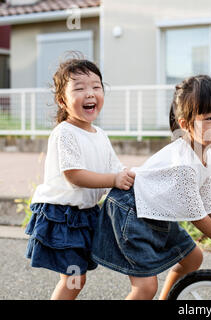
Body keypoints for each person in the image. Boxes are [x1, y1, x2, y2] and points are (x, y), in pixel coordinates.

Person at [91, 75, 211, 300]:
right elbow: (196, 215)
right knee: (145, 286)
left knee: (192, 258)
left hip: (154, 213)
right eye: (209, 118)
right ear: (185, 124)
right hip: (130, 210)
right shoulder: (184, 164)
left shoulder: (205, 154)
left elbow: (210, 203)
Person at [25, 58, 136, 300]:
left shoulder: (100, 135)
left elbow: (115, 167)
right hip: (62, 215)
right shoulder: (64, 132)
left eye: (96, 87)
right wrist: (114, 180)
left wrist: (129, 175)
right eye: (79, 88)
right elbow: (74, 175)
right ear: (62, 100)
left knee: (76, 277)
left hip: (85, 215)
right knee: (74, 278)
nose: (90, 93)